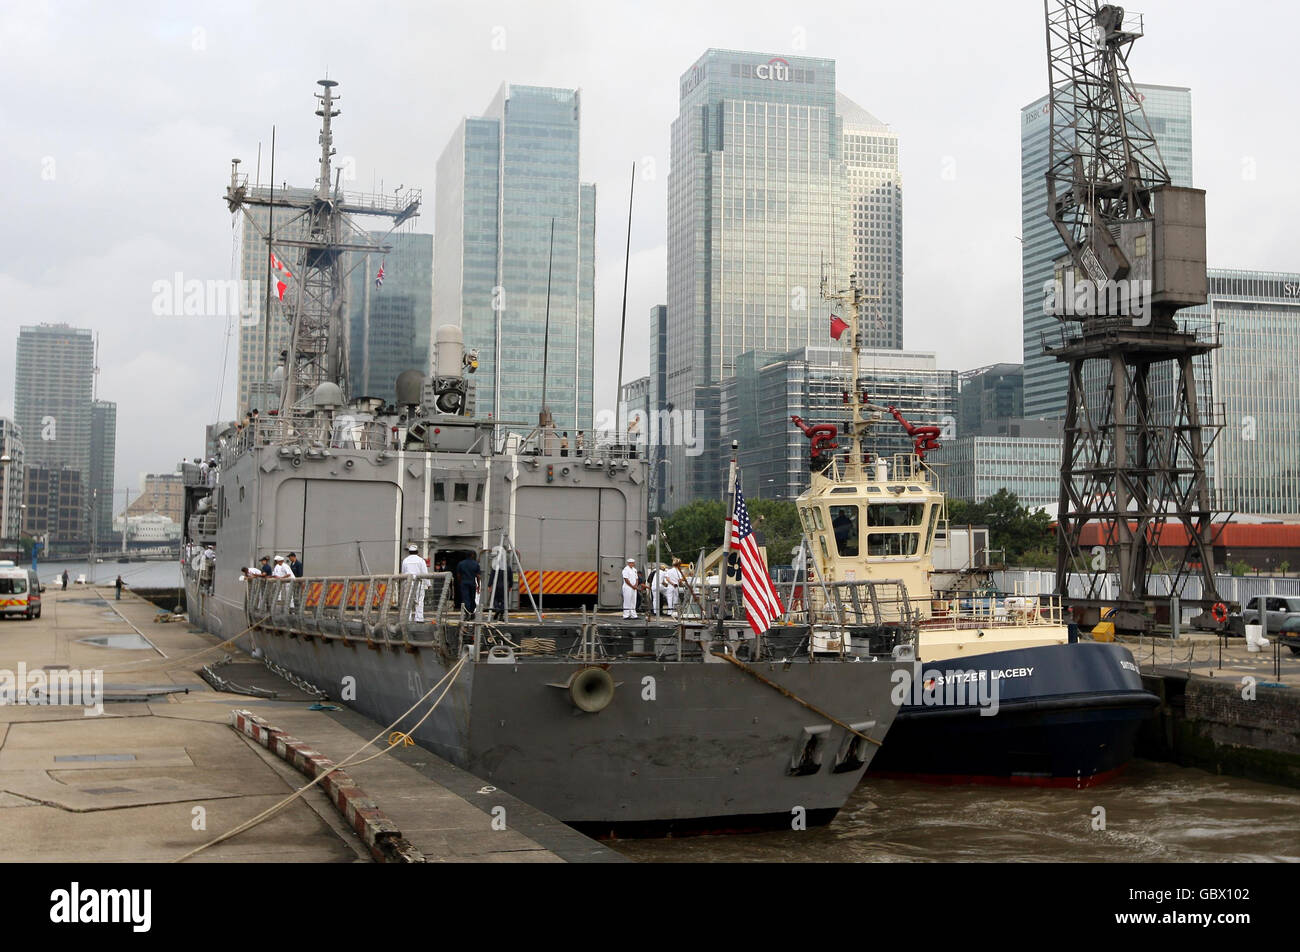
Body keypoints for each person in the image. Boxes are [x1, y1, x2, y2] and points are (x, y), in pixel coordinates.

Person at [401, 544, 429, 622]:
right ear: (417, 551)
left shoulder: (405, 560)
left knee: (407, 600)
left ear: (409, 552)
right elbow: (425, 573)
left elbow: (403, 573)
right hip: (419, 583)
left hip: (408, 582)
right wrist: (428, 584)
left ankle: (407, 618)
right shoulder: (421, 560)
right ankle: (419, 618)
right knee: (419, 601)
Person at [489, 546, 513, 620]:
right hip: (504, 586)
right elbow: (510, 578)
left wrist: (489, 585)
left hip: (496, 585)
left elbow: (492, 577)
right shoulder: (508, 567)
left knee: (495, 599)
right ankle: (501, 615)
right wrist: (510, 586)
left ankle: (497, 608)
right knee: (504, 600)